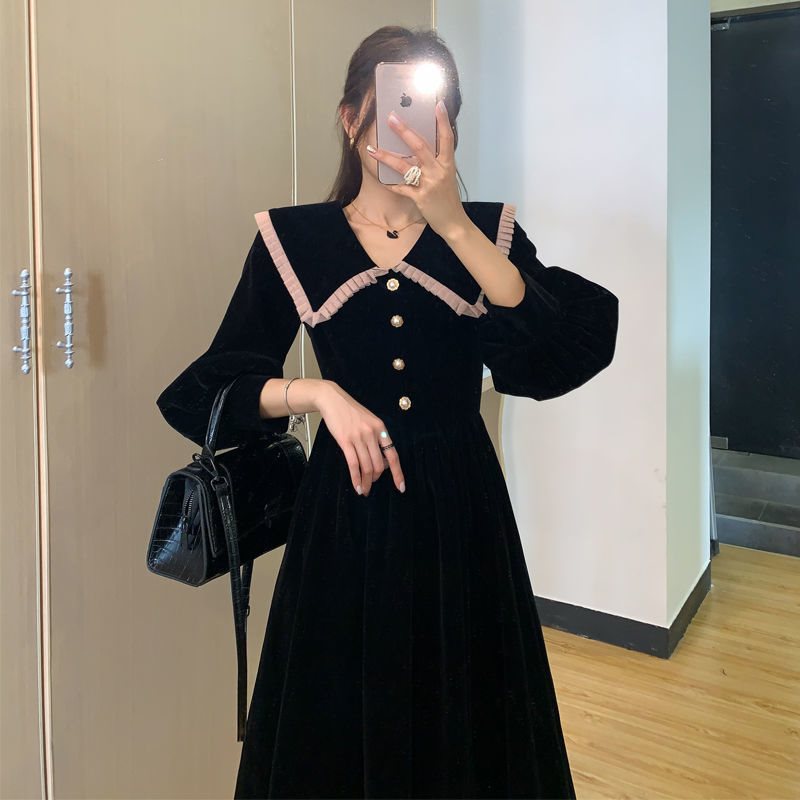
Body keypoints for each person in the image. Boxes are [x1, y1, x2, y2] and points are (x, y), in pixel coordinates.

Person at [156, 25, 619, 800]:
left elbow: (551, 354)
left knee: (468, 719)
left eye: (435, 113)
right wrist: (316, 394)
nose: (412, 131)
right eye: (393, 107)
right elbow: (207, 389)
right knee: (337, 727)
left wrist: (452, 221)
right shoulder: (294, 240)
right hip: (345, 516)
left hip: (462, 514)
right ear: (351, 118)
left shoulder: (486, 232)